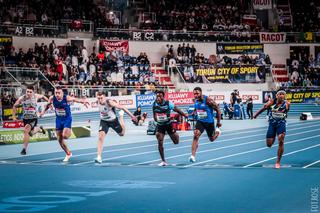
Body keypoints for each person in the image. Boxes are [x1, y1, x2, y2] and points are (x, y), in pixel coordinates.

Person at [40, 86, 89, 162]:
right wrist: (43, 112)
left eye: (59, 93)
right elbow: (47, 105)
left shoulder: (67, 98)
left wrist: (83, 101)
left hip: (67, 119)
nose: (57, 94)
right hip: (58, 119)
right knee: (59, 139)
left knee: (65, 136)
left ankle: (68, 129)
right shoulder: (52, 98)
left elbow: (75, 99)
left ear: (62, 93)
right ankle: (68, 153)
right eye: (56, 92)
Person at [95, 92, 137, 164]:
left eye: (101, 98)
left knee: (122, 134)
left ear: (104, 97)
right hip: (104, 121)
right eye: (98, 98)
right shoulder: (97, 102)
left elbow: (122, 107)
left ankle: (121, 116)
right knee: (100, 137)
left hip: (113, 121)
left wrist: (132, 116)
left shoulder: (109, 102)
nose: (100, 100)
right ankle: (99, 157)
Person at [253, 90, 290, 169]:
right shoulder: (271, 102)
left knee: (281, 140)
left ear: (285, 96)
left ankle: (278, 162)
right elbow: (263, 108)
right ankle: (273, 137)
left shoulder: (287, 104)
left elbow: (286, 112)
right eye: (279, 94)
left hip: (281, 123)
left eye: (283, 94)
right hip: (272, 124)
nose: (281, 96)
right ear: (276, 96)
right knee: (269, 144)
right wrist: (256, 115)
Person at [153, 90, 188, 166]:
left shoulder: (168, 103)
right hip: (160, 126)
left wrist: (185, 115)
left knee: (176, 142)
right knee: (160, 141)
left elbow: (177, 110)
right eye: (157, 96)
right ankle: (163, 161)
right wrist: (157, 119)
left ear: (163, 97)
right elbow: (154, 116)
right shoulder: (154, 104)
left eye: (160, 96)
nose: (158, 98)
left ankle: (175, 133)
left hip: (168, 125)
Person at [12, 86, 48, 155]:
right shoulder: (22, 98)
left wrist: (49, 102)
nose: (28, 93)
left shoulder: (36, 96)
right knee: (30, 133)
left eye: (30, 92)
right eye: (27, 91)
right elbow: (14, 106)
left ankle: (24, 149)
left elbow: (43, 96)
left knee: (26, 130)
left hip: (33, 118)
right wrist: (14, 116)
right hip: (25, 119)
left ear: (33, 92)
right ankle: (39, 128)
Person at [189, 87, 222, 163]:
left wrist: (218, 122)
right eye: (194, 94)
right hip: (200, 121)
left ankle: (218, 132)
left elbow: (218, 109)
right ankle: (193, 156)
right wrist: (194, 111)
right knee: (196, 135)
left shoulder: (208, 100)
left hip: (209, 122)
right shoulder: (195, 100)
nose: (196, 95)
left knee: (212, 139)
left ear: (201, 92)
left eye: (197, 93)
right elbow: (197, 107)